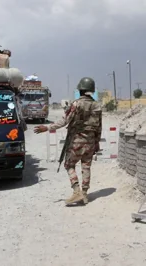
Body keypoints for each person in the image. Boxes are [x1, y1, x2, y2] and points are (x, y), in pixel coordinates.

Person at [34, 77, 102, 205]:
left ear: (80, 89)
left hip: (77, 140)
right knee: (86, 167)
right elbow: (99, 127)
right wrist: (97, 142)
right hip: (91, 141)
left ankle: (76, 191)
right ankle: (85, 194)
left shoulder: (76, 104)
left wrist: (47, 127)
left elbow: (64, 121)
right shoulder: (97, 106)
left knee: (69, 165)